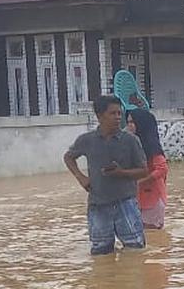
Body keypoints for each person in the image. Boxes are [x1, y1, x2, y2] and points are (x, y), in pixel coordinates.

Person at [64, 95, 150, 255]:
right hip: (98, 204)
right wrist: (81, 178)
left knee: (135, 250)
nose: (118, 117)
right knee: (100, 252)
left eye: (119, 113)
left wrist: (121, 173)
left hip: (126, 203)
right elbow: (68, 157)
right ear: (99, 116)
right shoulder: (87, 140)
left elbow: (144, 171)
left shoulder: (131, 140)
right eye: (113, 113)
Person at [126, 108, 169, 229]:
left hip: (152, 198)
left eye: (132, 122)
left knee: (152, 235)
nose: (129, 126)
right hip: (137, 198)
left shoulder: (152, 147)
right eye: (128, 122)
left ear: (142, 124)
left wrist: (141, 181)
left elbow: (162, 168)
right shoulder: (131, 144)